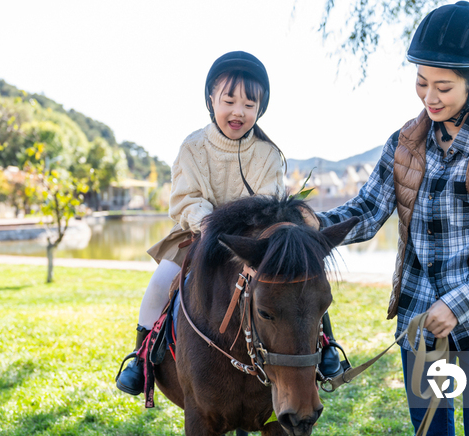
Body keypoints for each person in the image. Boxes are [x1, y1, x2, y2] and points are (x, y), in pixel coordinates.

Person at [304, 2, 469, 436]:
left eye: (443, 87)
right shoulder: (404, 143)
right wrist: (311, 227)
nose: (429, 98)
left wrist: (453, 305)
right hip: (419, 326)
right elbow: (368, 209)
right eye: (421, 83)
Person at [116, 51, 348, 397]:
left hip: (255, 243)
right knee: (159, 283)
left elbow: (269, 204)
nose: (238, 111)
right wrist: (207, 223)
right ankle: (142, 354)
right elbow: (187, 197)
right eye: (229, 100)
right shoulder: (192, 147)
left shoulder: (268, 155)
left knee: (298, 284)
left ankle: (326, 343)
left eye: (250, 104)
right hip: (199, 235)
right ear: (211, 99)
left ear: (261, 108)